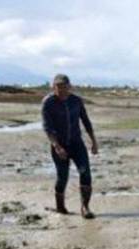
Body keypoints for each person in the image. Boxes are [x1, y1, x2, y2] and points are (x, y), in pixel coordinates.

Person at [41, 73, 98, 219]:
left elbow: (86, 121)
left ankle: (85, 207)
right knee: (62, 177)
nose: (61, 90)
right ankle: (60, 207)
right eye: (58, 87)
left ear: (69, 87)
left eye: (64, 87)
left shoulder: (76, 101)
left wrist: (94, 141)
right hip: (59, 145)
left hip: (77, 144)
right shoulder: (48, 103)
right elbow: (48, 128)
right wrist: (57, 146)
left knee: (85, 172)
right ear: (53, 87)